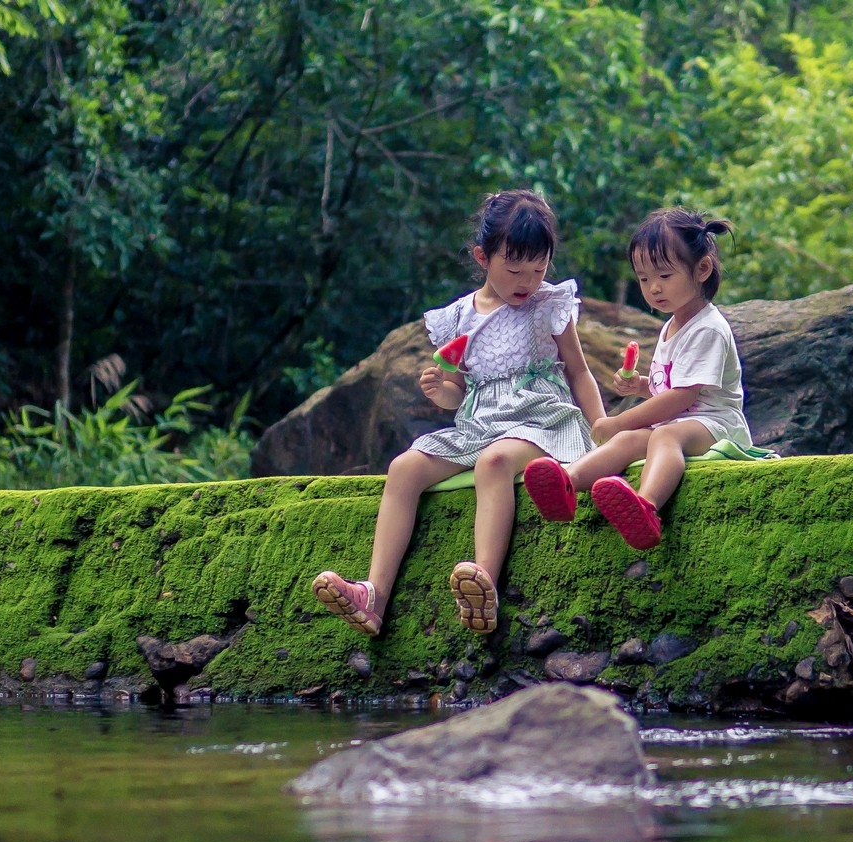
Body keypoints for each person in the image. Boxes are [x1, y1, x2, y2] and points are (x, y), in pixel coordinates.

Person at [312, 190, 608, 635]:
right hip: (479, 422)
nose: (526, 280)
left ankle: (482, 583)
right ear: (482, 257)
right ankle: (373, 594)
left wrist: (601, 428)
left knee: (494, 463)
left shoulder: (550, 305)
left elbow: (580, 372)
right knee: (403, 469)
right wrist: (441, 391)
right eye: (513, 268)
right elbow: (456, 395)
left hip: (542, 418)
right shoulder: (458, 317)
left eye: (538, 267)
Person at [520, 208, 752, 550]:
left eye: (664, 276)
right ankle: (565, 484)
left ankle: (647, 508)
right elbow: (670, 387)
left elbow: (683, 397)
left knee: (661, 436)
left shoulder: (708, 328)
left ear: (702, 269)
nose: (653, 288)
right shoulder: (673, 324)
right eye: (644, 279)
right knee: (626, 443)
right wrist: (642, 386)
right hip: (682, 421)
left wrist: (619, 421)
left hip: (716, 424)